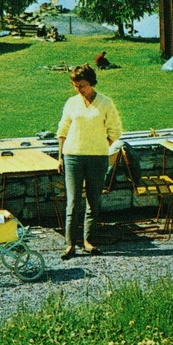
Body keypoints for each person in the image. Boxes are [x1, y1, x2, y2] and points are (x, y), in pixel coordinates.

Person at [56, 64, 122, 260]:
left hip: (97, 158)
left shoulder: (105, 103)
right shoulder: (71, 103)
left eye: (82, 85)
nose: (79, 89)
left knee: (94, 200)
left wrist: (101, 146)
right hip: (72, 156)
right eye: (75, 86)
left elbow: (115, 131)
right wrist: (60, 156)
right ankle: (70, 244)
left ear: (91, 82)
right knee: (73, 202)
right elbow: (63, 130)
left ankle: (88, 241)